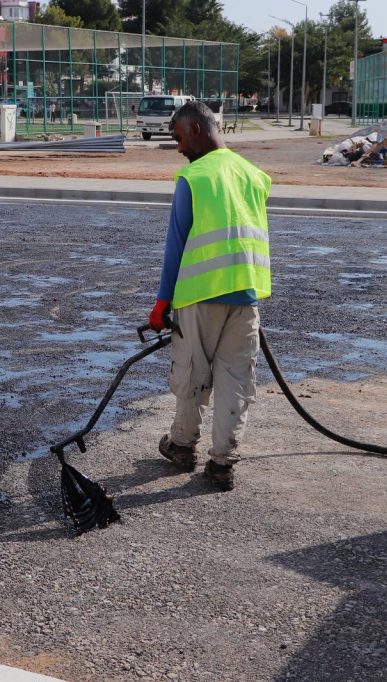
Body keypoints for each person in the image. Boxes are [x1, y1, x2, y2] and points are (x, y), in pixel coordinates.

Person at [147, 101, 272, 492]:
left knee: (192, 373)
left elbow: (176, 245)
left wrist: (162, 302)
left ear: (196, 131)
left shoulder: (194, 177)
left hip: (199, 295)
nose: (179, 147)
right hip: (246, 293)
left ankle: (182, 445)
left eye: (179, 137)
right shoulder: (254, 175)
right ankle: (222, 463)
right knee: (237, 378)